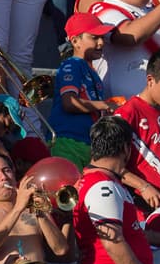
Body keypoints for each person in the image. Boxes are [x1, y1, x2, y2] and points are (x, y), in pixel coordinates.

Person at [73, 117, 160, 264]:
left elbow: (130, 233)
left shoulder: (102, 182)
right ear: (127, 149)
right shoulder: (103, 188)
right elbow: (113, 243)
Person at [114, 47, 160, 199]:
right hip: (139, 201)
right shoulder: (127, 113)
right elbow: (113, 165)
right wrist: (144, 187)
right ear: (150, 80)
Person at [0, 151, 70, 264]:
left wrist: (40, 212)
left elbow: (61, 249)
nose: (3, 177)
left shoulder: (33, 208)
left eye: (6, 170)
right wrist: (18, 207)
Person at [49, 11, 115, 167]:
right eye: (94, 37)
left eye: (102, 37)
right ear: (75, 41)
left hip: (86, 143)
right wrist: (105, 105)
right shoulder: (71, 64)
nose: (101, 43)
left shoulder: (92, 71)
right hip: (67, 142)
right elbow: (69, 102)